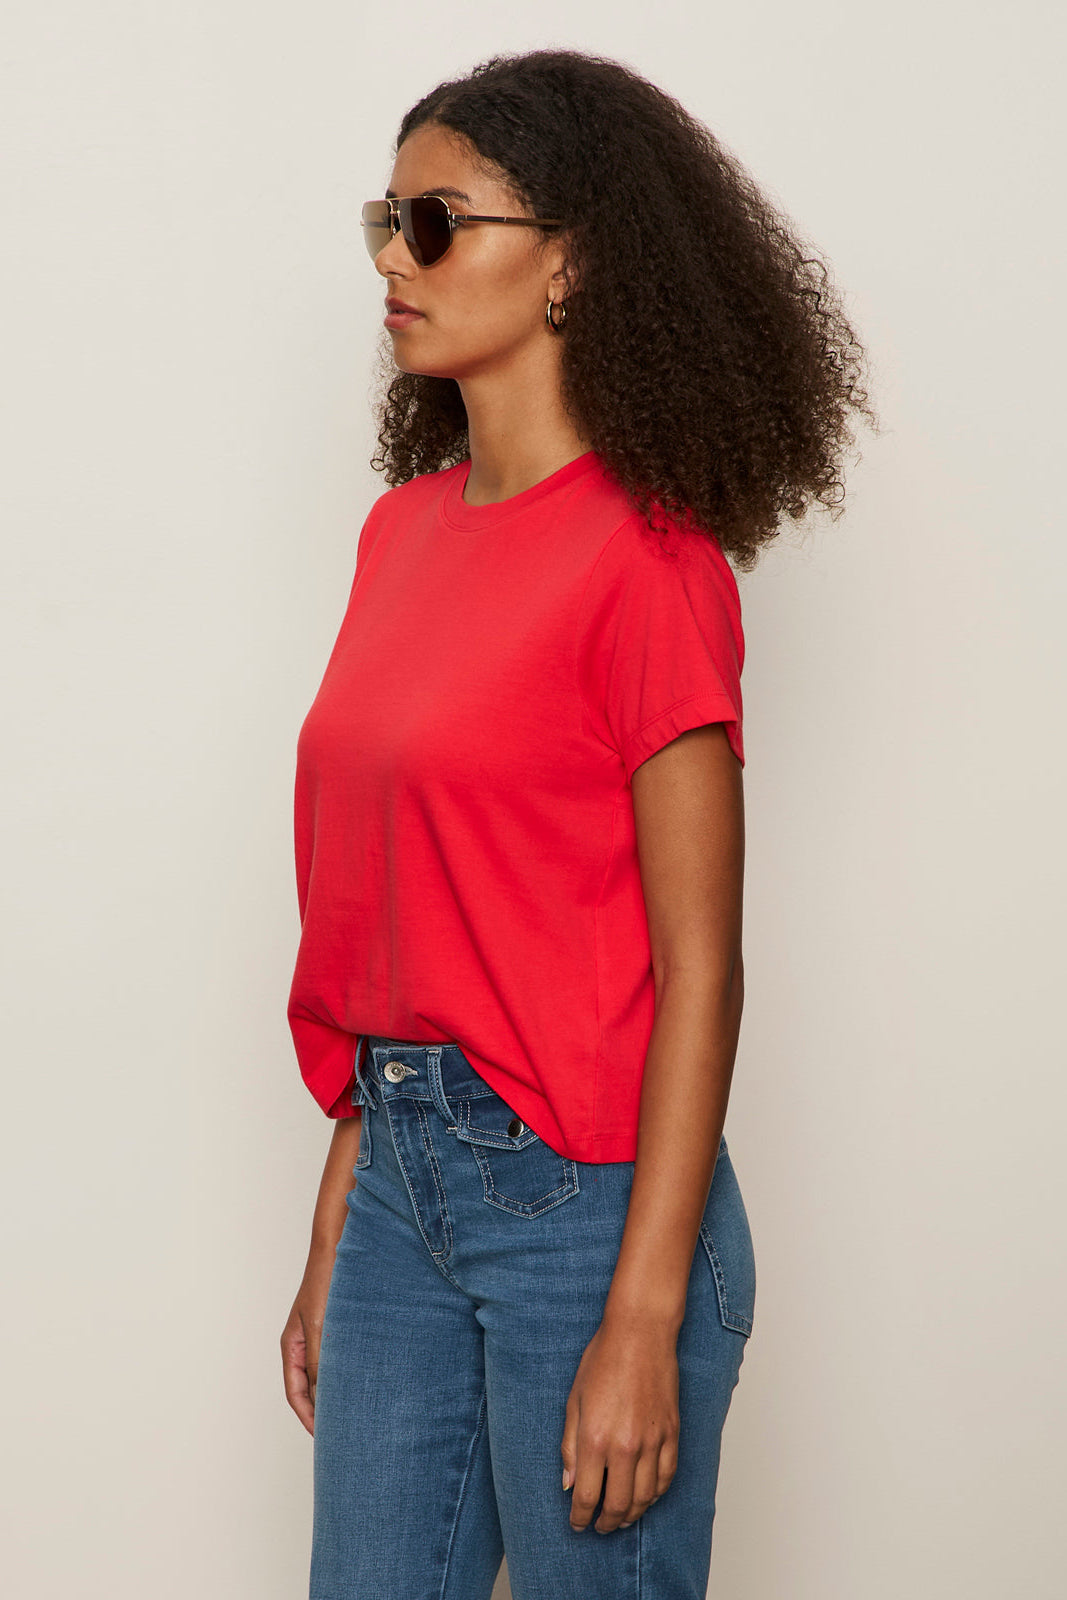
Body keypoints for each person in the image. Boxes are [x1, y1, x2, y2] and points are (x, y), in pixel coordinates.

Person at [280, 47, 876, 1600]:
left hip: (585, 1208)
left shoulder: (651, 566)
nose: (397, 264)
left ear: (573, 263)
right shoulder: (399, 535)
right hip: (402, 1172)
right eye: (386, 223)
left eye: (438, 222)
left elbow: (700, 968)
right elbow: (400, 917)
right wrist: (343, 1203)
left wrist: (644, 1318)